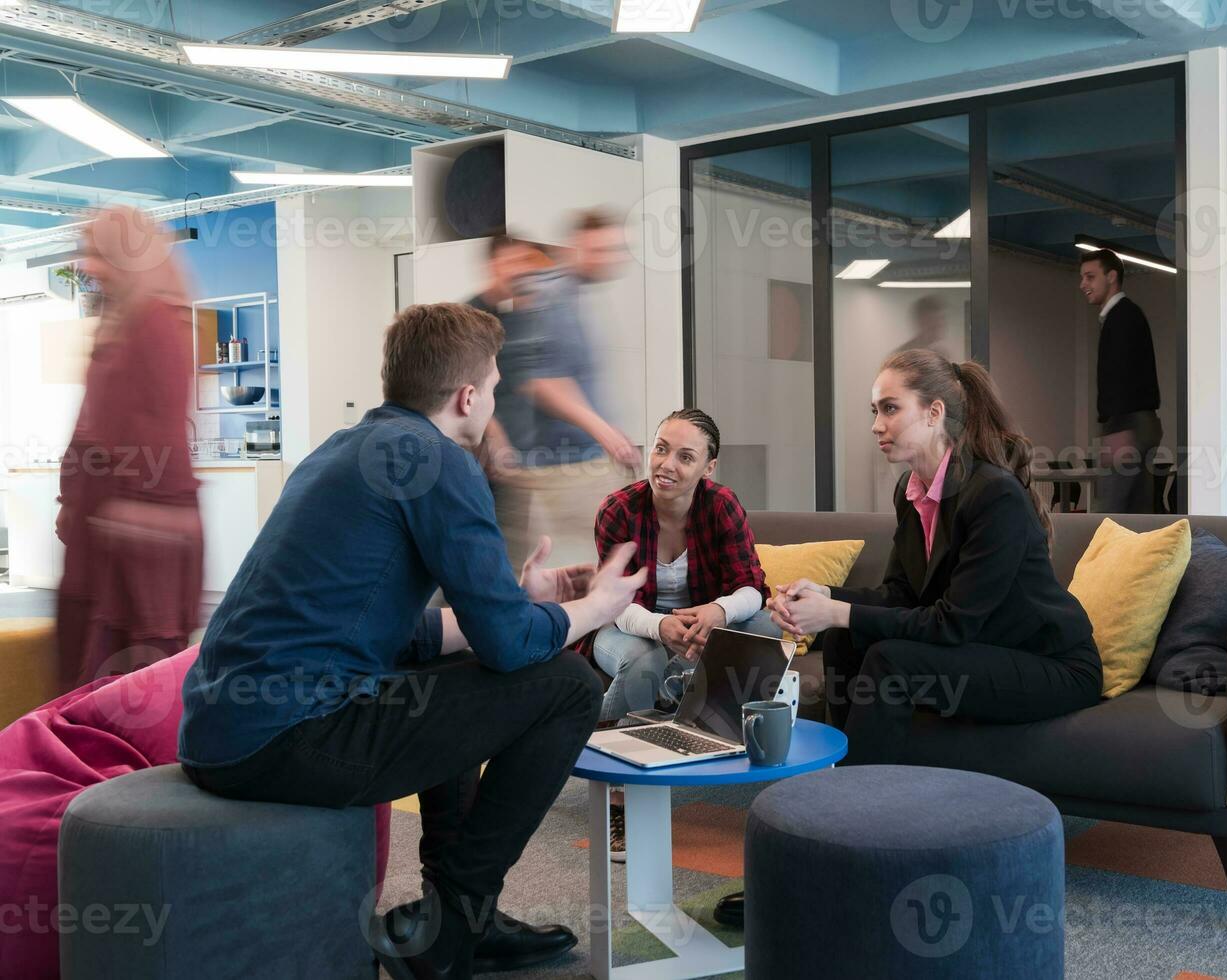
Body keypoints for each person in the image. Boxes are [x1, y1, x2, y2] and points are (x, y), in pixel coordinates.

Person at [177, 303, 647, 980]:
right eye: (492, 386)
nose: (493, 400)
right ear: (466, 397)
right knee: (569, 687)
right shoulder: (440, 463)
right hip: (287, 738)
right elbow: (514, 649)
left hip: (225, 732)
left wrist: (527, 601)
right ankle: (453, 926)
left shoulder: (348, 448)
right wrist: (595, 606)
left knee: (451, 669)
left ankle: (454, 919)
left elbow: (399, 630)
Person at [767, 348, 1101, 767]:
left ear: (933, 413)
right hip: (984, 648)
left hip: (1051, 665)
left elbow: (954, 622)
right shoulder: (911, 491)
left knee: (889, 659)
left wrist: (837, 611)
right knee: (843, 637)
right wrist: (825, 595)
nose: (876, 425)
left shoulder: (993, 493)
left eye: (890, 409)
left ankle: (855, 797)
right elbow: (901, 593)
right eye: (874, 410)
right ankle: (849, 776)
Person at [590, 408, 780, 859]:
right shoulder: (618, 511)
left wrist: (716, 612)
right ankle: (620, 792)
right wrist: (660, 625)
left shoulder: (722, 505)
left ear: (708, 467)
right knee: (645, 661)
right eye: (660, 449)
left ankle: (726, 749)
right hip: (627, 624)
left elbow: (753, 586)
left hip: (702, 623)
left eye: (684, 456)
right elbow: (614, 602)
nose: (667, 465)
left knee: (768, 627)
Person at [55, 206, 203, 690]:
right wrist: (71, 501)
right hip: (101, 536)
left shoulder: (155, 322)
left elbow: (157, 438)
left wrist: (121, 507)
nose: (87, 267)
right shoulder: (120, 319)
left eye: (98, 254)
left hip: (138, 545)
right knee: (85, 678)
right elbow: (92, 423)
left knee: (124, 686)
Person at [468, 216, 640, 568]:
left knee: (556, 562)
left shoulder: (534, 301)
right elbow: (538, 381)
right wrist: (605, 431)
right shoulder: (529, 302)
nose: (611, 257)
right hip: (547, 462)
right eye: (600, 249)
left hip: (552, 458)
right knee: (538, 564)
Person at [1079, 248, 1163, 514]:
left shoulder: (1122, 317)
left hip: (1129, 424)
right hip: (1139, 423)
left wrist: (1117, 429)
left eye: (1090, 277)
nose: (1083, 284)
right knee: (1135, 511)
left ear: (1112, 276)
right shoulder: (1125, 315)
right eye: (1082, 278)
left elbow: (1122, 376)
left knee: (1113, 513)